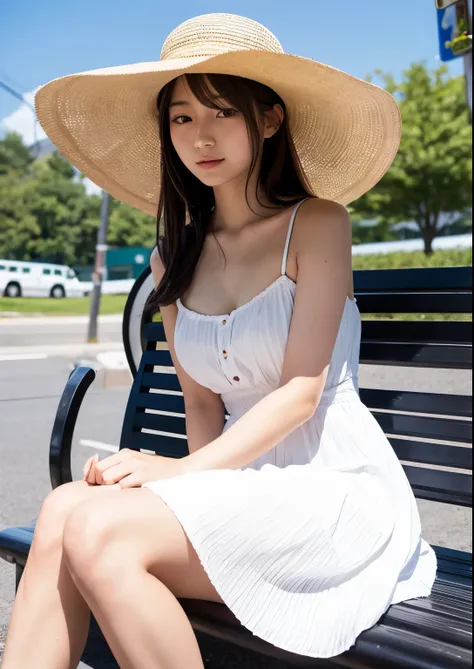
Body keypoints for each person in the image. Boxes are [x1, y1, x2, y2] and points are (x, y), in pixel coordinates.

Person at [2, 13, 437, 669]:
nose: (200, 136)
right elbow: (202, 406)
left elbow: (300, 392)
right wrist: (197, 498)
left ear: (268, 119)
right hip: (244, 487)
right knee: (67, 507)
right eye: (181, 118)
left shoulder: (316, 224)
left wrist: (178, 474)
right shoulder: (173, 256)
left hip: (333, 493)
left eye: (220, 113)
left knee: (95, 530)